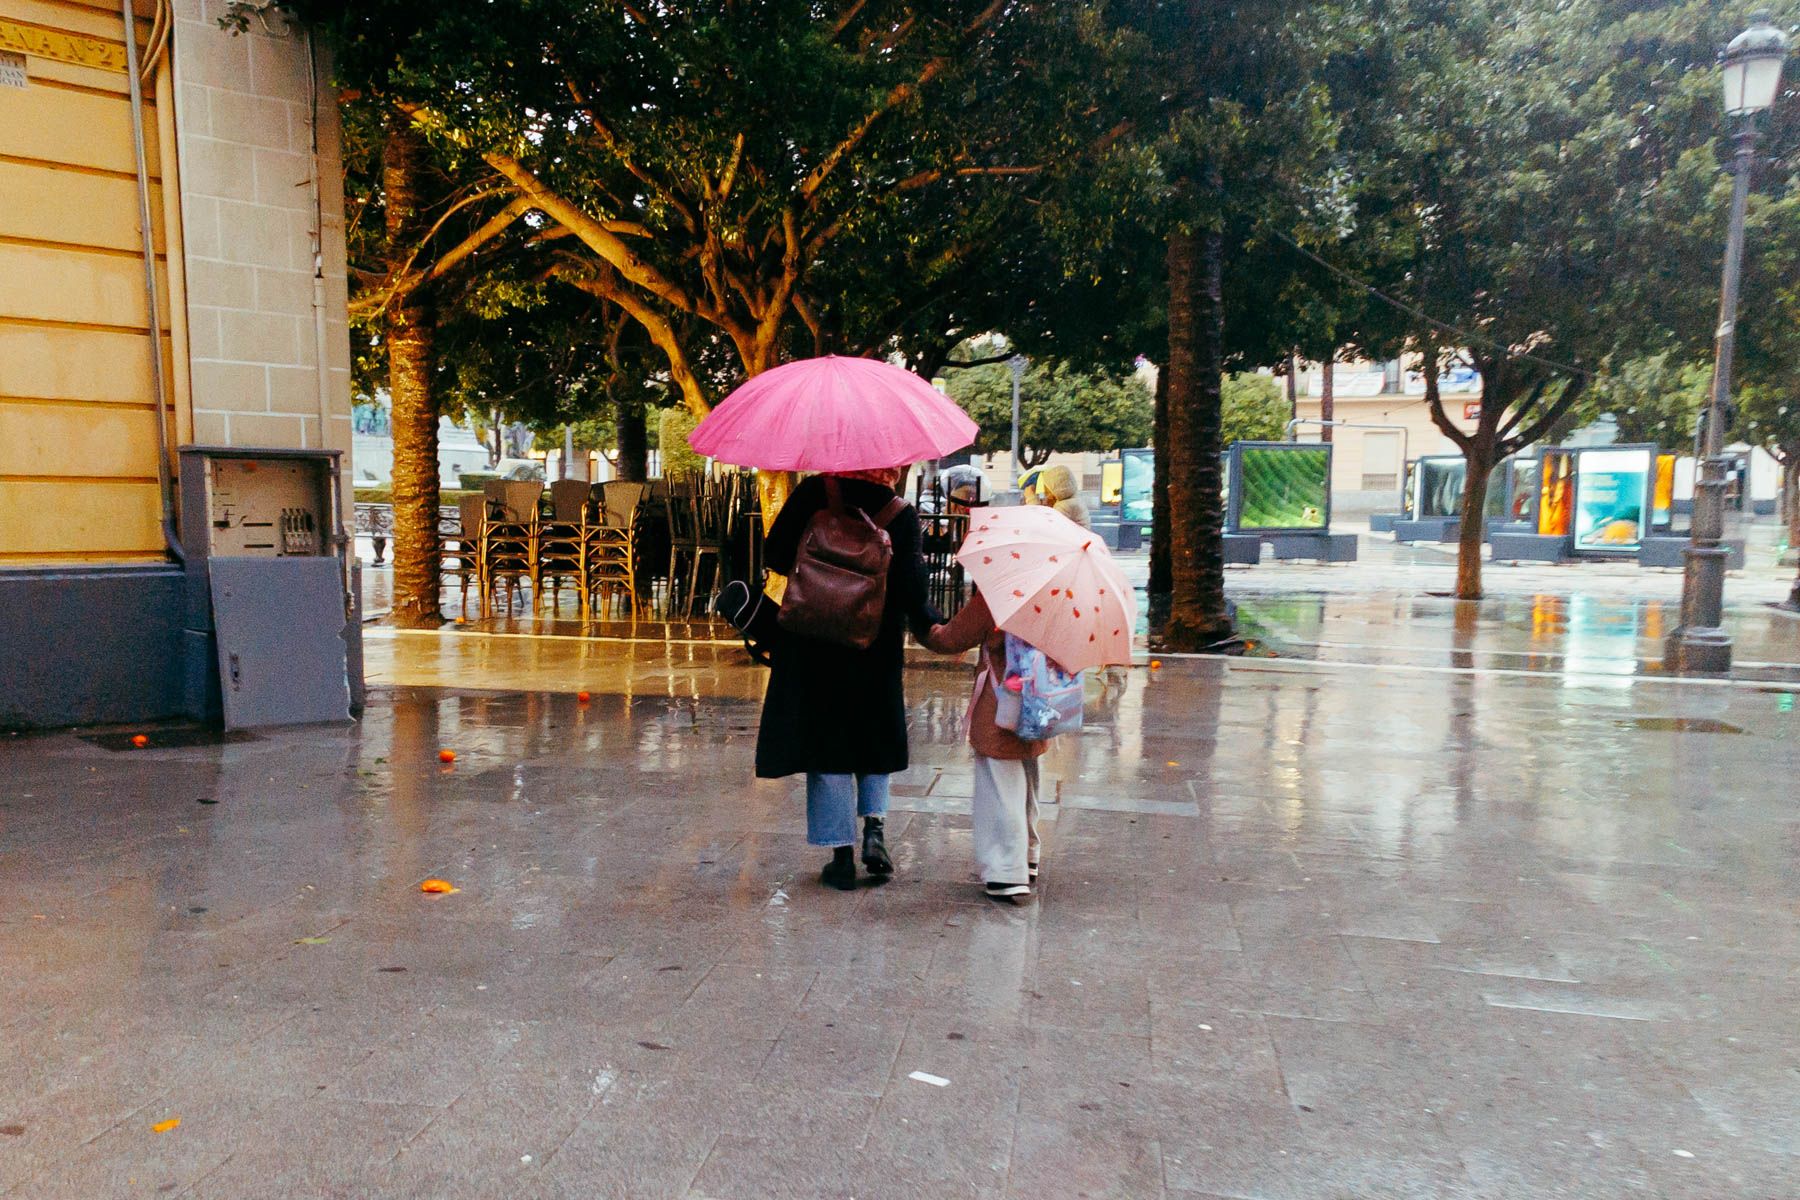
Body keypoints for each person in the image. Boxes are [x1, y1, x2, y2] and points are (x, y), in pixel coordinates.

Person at [755, 468, 940, 891]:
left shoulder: (814, 492)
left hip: (814, 637)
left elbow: (776, 555)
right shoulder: (899, 511)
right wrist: (935, 626)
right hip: (875, 643)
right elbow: (912, 590)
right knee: (874, 735)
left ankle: (840, 856)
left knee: (828, 743)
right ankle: (874, 831)